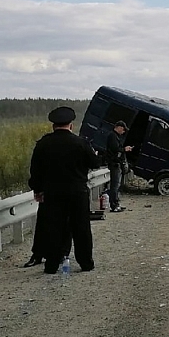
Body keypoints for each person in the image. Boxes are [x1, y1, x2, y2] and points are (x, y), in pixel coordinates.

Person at [28, 106, 100, 274]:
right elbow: (95, 163)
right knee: (81, 228)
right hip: (77, 192)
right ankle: (86, 263)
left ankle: (51, 265)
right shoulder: (81, 143)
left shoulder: (43, 144)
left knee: (53, 228)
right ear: (71, 125)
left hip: (53, 193)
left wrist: (37, 190)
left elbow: (35, 171)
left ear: (53, 125)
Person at [105, 120, 133, 212]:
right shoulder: (112, 136)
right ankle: (114, 205)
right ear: (119, 127)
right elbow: (115, 149)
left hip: (117, 163)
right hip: (114, 164)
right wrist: (124, 149)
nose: (123, 132)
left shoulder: (116, 136)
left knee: (117, 185)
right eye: (123, 130)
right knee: (114, 185)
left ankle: (116, 203)